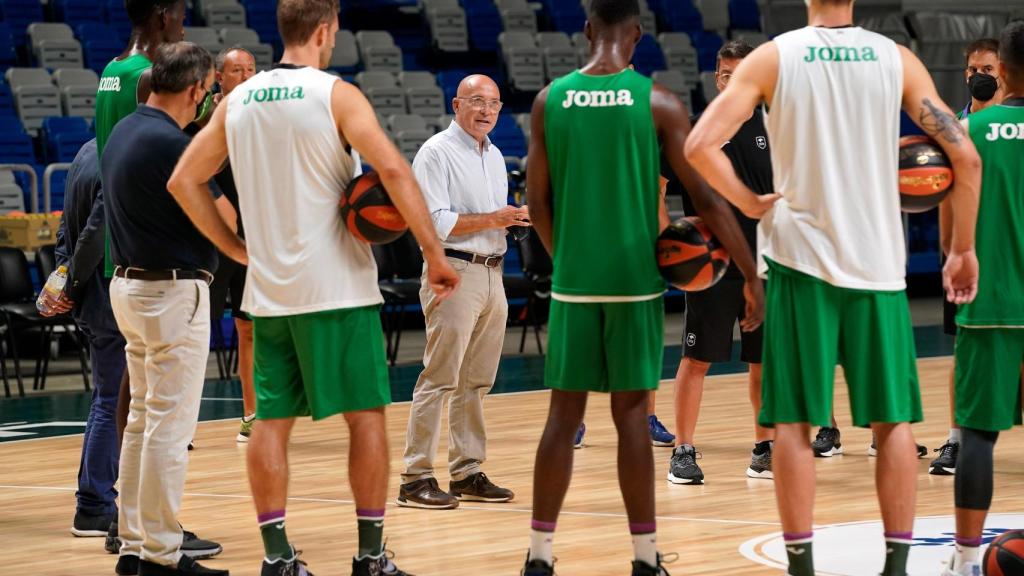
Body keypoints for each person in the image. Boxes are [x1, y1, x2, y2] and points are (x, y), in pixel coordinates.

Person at [684, 0, 981, 574]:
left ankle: (802, 565)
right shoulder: (895, 58)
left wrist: (747, 201)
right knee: (893, 423)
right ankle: (896, 565)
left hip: (799, 262)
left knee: (793, 423)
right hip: (876, 262)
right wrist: (962, 249)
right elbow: (964, 158)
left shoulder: (773, 57)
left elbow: (700, 145)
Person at [167, 1, 460, 574]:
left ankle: (278, 558)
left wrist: (233, 249)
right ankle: (370, 555)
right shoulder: (336, 93)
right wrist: (433, 252)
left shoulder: (237, 101)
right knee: (367, 418)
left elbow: (183, 179)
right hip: (339, 290)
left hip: (269, 292)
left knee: (270, 424)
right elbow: (395, 172)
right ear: (326, 30)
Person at [521, 1, 764, 573]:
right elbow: (704, 200)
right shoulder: (659, 102)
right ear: (637, 36)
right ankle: (645, 556)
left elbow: (536, 203)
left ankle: (539, 556)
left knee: (562, 417)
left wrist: (569, 260)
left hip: (575, 284)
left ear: (586, 31)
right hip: (634, 285)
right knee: (632, 418)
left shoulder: (548, 100)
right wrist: (750, 273)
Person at [94, 0, 221, 560]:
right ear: (195, 90)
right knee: (168, 427)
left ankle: (133, 541)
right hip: (172, 292)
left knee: (144, 419)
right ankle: (163, 553)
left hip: (129, 286)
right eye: (210, 90)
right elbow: (226, 224)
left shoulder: (125, 130)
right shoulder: (176, 144)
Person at [397, 74, 524, 510]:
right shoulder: (435, 152)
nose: (485, 110)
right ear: (456, 104)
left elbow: (492, 218)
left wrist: (511, 220)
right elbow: (431, 222)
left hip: (492, 272)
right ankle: (414, 478)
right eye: (476, 101)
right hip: (452, 270)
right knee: (440, 377)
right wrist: (495, 218)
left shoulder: (495, 155)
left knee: (476, 380)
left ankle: (466, 471)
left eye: (493, 103)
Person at [665, 39, 775, 485]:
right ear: (716, 78)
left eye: (742, 73)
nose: (733, 82)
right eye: (726, 74)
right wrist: (667, 244)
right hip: (710, 262)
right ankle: (683, 450)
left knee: (763, 361)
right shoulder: (698, 129)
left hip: (765, 262)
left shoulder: (777, 127)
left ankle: (764, 448)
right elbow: (659, 188)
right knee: (697, 358)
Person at [942, 21, 1024, 576]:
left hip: (990, 303)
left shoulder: (971, 130)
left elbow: (950, 223)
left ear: (1004, 71)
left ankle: (969, 560)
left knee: (976, 437)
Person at [41, 139, 126, 539]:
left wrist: (62, 277)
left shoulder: (86, 150)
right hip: (108, 297)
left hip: (89, 297)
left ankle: (94, 500)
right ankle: (94, 504)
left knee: (104, 399)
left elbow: (65, 226)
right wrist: (71, 281)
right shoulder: (120, 152)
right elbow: (94, 231)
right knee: (112, 401)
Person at [929, 37, 1004, 476]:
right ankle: (956, 440)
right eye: (975, 68)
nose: (981, 75)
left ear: (1004, 73)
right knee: (964, 351)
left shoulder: (1012, 124)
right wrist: (949, 247)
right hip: (965, 252)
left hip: (1007, 251)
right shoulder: (953, 128)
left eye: (989, 69)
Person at [206, 45, 258, 443]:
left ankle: (251, 415)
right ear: (219, 78)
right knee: (195, 331)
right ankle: (179, 423)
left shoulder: (266, 119)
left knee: (249, 328)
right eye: (236, 70)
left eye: (251, 69)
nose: (244, 76)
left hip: (253, 238)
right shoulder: (202, 116)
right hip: (210, 238)